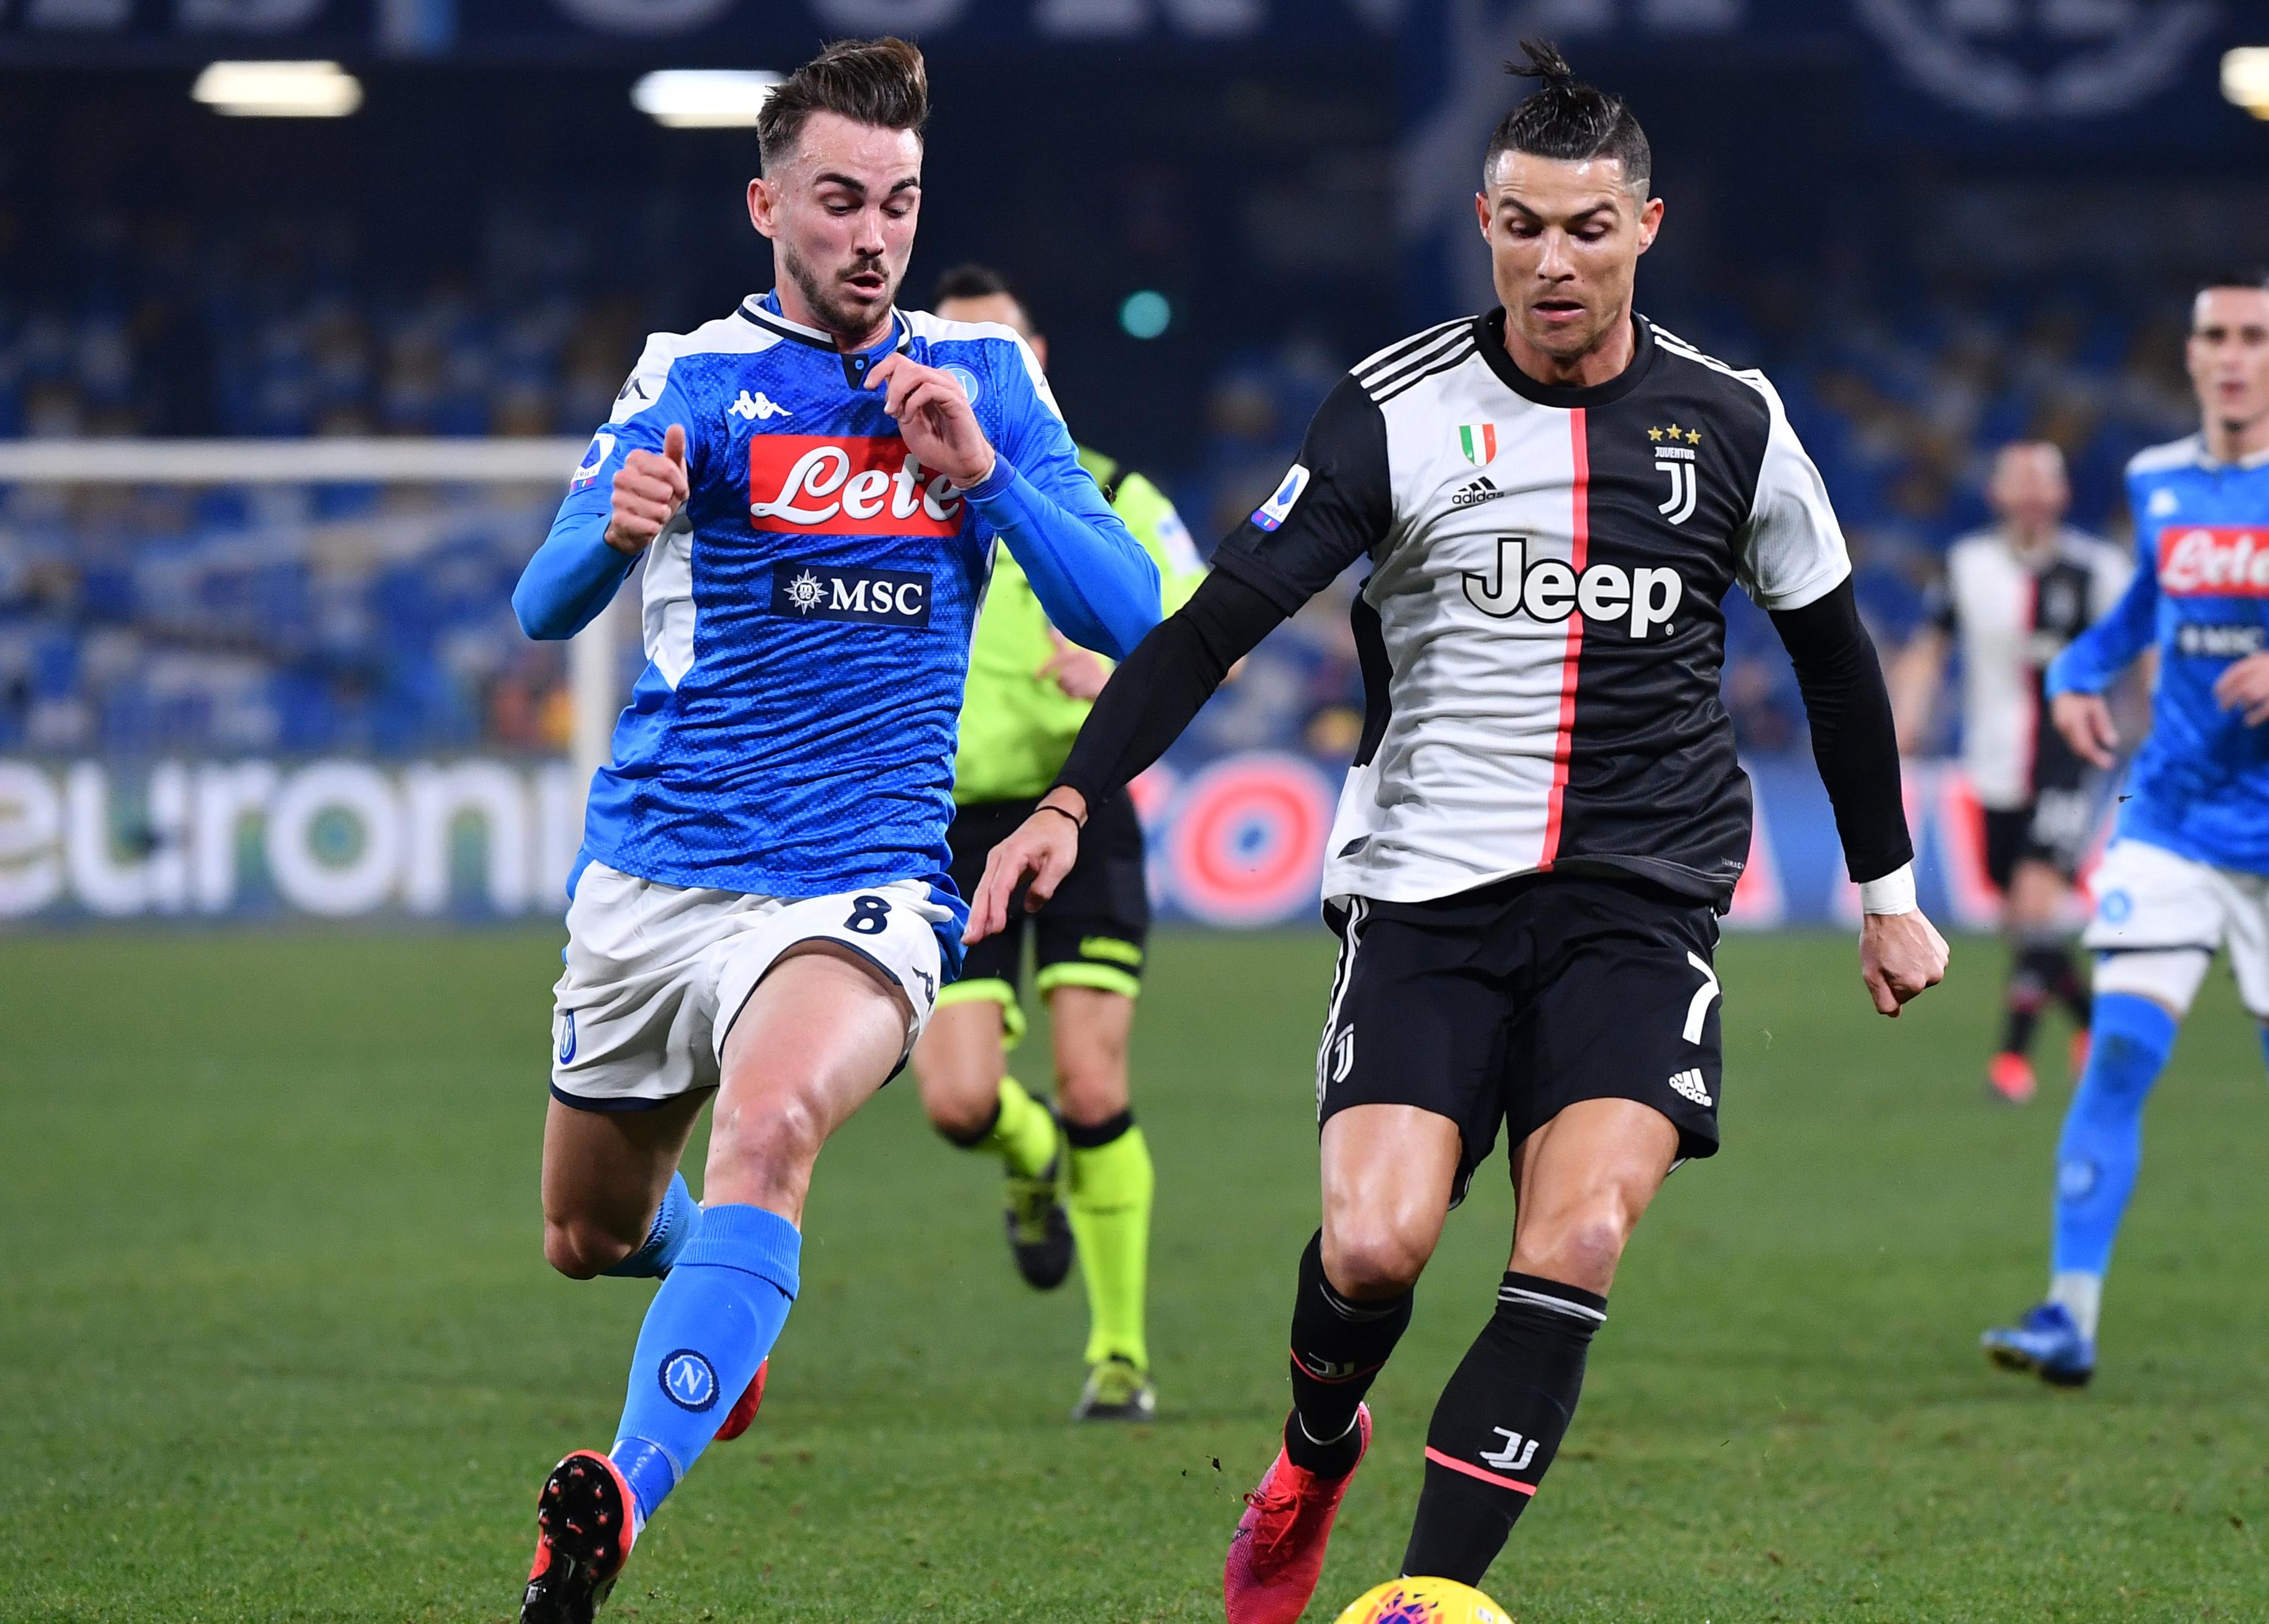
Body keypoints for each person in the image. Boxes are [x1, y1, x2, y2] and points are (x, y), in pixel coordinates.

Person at [968, 42, 1948, 1620]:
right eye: (1522, 227)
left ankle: (1428, 1596)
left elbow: (1834, 660)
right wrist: (1077, 794)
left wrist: (1885, 890)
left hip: (1641, 898)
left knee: (1581, 1231)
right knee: (1374, 1247)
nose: (1552, 262)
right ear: (1482, 223)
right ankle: (1313, 1450)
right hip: (1427, 895)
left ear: (1645, 229)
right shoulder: (1393, 409)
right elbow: (1217, 622)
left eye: (1586, 229)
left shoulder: (1734, 423)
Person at [503, 39, 1161, 1623]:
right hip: (656, 871)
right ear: (768, 208)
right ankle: (724, 1296)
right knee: (587, 1231)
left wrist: (983, 476)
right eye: (841, 201)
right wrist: (612, 535)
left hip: (860, 877)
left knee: (774, 1125)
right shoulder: (689, 378)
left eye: (901, 204)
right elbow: (542, 605)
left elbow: (1129, 610)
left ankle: (616, 1497)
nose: (875, 236)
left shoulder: (985, 381)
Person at [1980, 269, 2269, 1388]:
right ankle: (2068, 1311)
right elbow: (2147, 608)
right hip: (2170, 814)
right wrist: (2079, 671)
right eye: (2212, 337)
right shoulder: (2158, 480)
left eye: (2250, 336)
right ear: (2190, 356)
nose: (2230, 355)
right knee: (2120, 1052)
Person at [913, 262, 1204, 1424]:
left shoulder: (1113, 493)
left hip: (1079, 805)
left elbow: (1201, 629)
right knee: (957, 1101)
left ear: (1036, 362)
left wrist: (1123, 666)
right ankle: (1026, 1155)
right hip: (945, 826)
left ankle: (1118, 1356)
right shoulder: (889, 499)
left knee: (1093, 1080)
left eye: (1001, 347)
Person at [1887, 442, 2133, 1104]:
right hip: (1993, 765)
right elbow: (1928, 649)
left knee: (2034, 898)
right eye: (2017, 481)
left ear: (2062, 494)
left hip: (2071, 757)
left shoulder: (2098, 570)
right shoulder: (1968, 565)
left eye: (2042, 481)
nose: (2030, 494)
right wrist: (1905, 722)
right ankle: (2096, 1028)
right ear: (1996, 494)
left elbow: (2141, 647)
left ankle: (2011, 1065)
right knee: (2021, 920)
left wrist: (2158, 723)